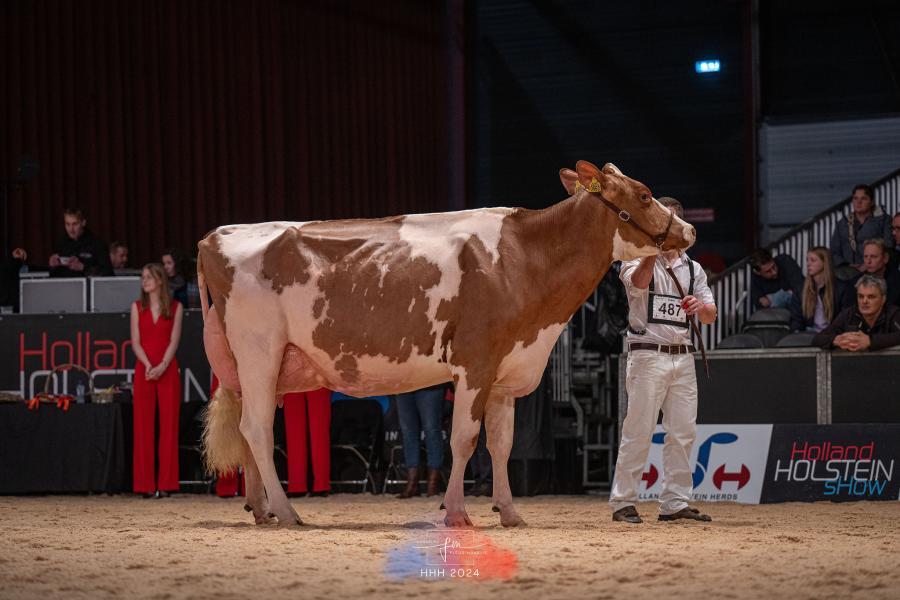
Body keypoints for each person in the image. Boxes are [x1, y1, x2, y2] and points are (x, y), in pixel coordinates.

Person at [610, 196, 718, 524]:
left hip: (682, 358)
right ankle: (624, 502)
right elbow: (637, 284)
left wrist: (700, 308)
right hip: (647, 355)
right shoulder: (635, 259)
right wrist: (651, 252)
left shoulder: (694, 268)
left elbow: (712, 314)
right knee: (639, 429)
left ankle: (675, 502)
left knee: (682, 432)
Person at [130, 263, 184, 498]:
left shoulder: (175, 307)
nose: (144, 281)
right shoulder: (136, 307)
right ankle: (145, 485)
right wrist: (149, 365)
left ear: (160, 280)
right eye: (142, 277)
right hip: (144, 369)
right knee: (143, 428)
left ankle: (166, 484)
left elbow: (174, 340)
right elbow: (135, 341)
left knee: (169, 428)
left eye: (149, 277)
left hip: (167, 369)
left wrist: (162, 366)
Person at [812, 275, 900, 351]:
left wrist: (870, 341)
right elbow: (817, 339)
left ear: (883, 299)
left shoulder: (893, 313)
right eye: (861, 296)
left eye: (871, 297)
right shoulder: (848, 314)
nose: (864, 301)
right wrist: (835, 340)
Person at [830, 184, 892, 277]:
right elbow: (834, 251)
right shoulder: (843, 223)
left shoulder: (883, 220)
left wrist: (868, 264)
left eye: (863, 198)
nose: (858, 202)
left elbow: (888, 245)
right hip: (846, 273)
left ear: (871, 202)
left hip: (875, 271)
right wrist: (847, 265)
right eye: (855, 198)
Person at [396, 384, 447, 498]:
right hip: (404, 383)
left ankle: (433, 485)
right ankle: (412, 484)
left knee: (432, 431)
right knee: (408, 433)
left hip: (430, 383)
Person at [282, 389, 331, 497]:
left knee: (319, 430)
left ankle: (321, 485)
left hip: (319, 376)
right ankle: (296, 484)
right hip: (291, 377)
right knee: (294, 431)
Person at [788, 247, 849, 332]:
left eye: (813, 260)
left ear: (825, 263)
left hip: (832, 335)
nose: (808, 264)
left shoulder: (842, 288)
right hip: (808, 334)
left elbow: (845, 318)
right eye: (807, 260)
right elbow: (796, 318)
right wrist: (797, 332)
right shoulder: (800, 289)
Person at [49, 208, 113, 277]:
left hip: (88, 286)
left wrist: (83, 268)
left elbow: (107, 274)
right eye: (68, 224)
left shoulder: (97, 244)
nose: (71, 229)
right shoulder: (61, 244)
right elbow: (53, 277)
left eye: (75, 224)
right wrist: (53, 266)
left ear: (83, 223)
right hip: (65, 286)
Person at [851, 239, 900, 306]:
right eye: (865, 257)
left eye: (873, 257)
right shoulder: (856, 282)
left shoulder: (897, 281)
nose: (868, 261)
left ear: (885, 258)